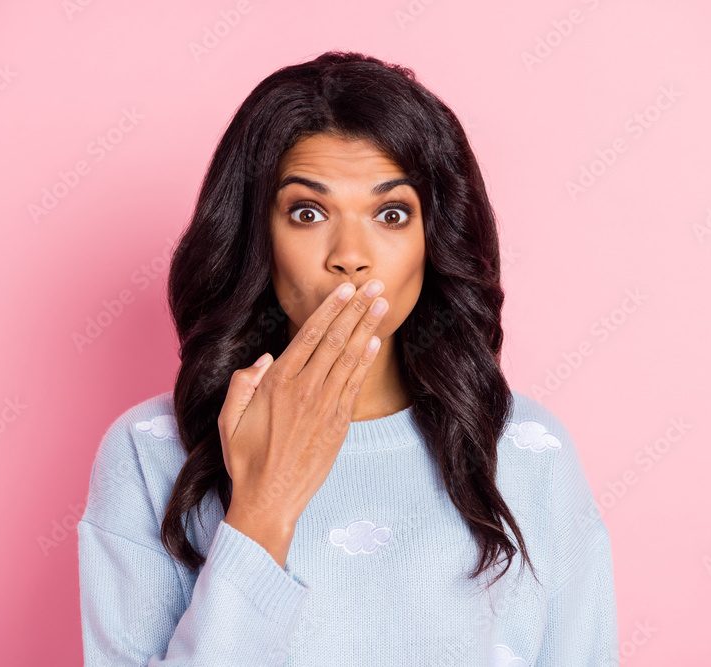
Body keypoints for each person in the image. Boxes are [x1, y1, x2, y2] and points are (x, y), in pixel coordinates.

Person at [77, 50, 618, 666]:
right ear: (258, 237)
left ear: (431, 240)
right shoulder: (152, 453)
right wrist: (264, 505)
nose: (351, 256)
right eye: (308, 213)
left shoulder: (526, 449)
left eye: (391, 213)